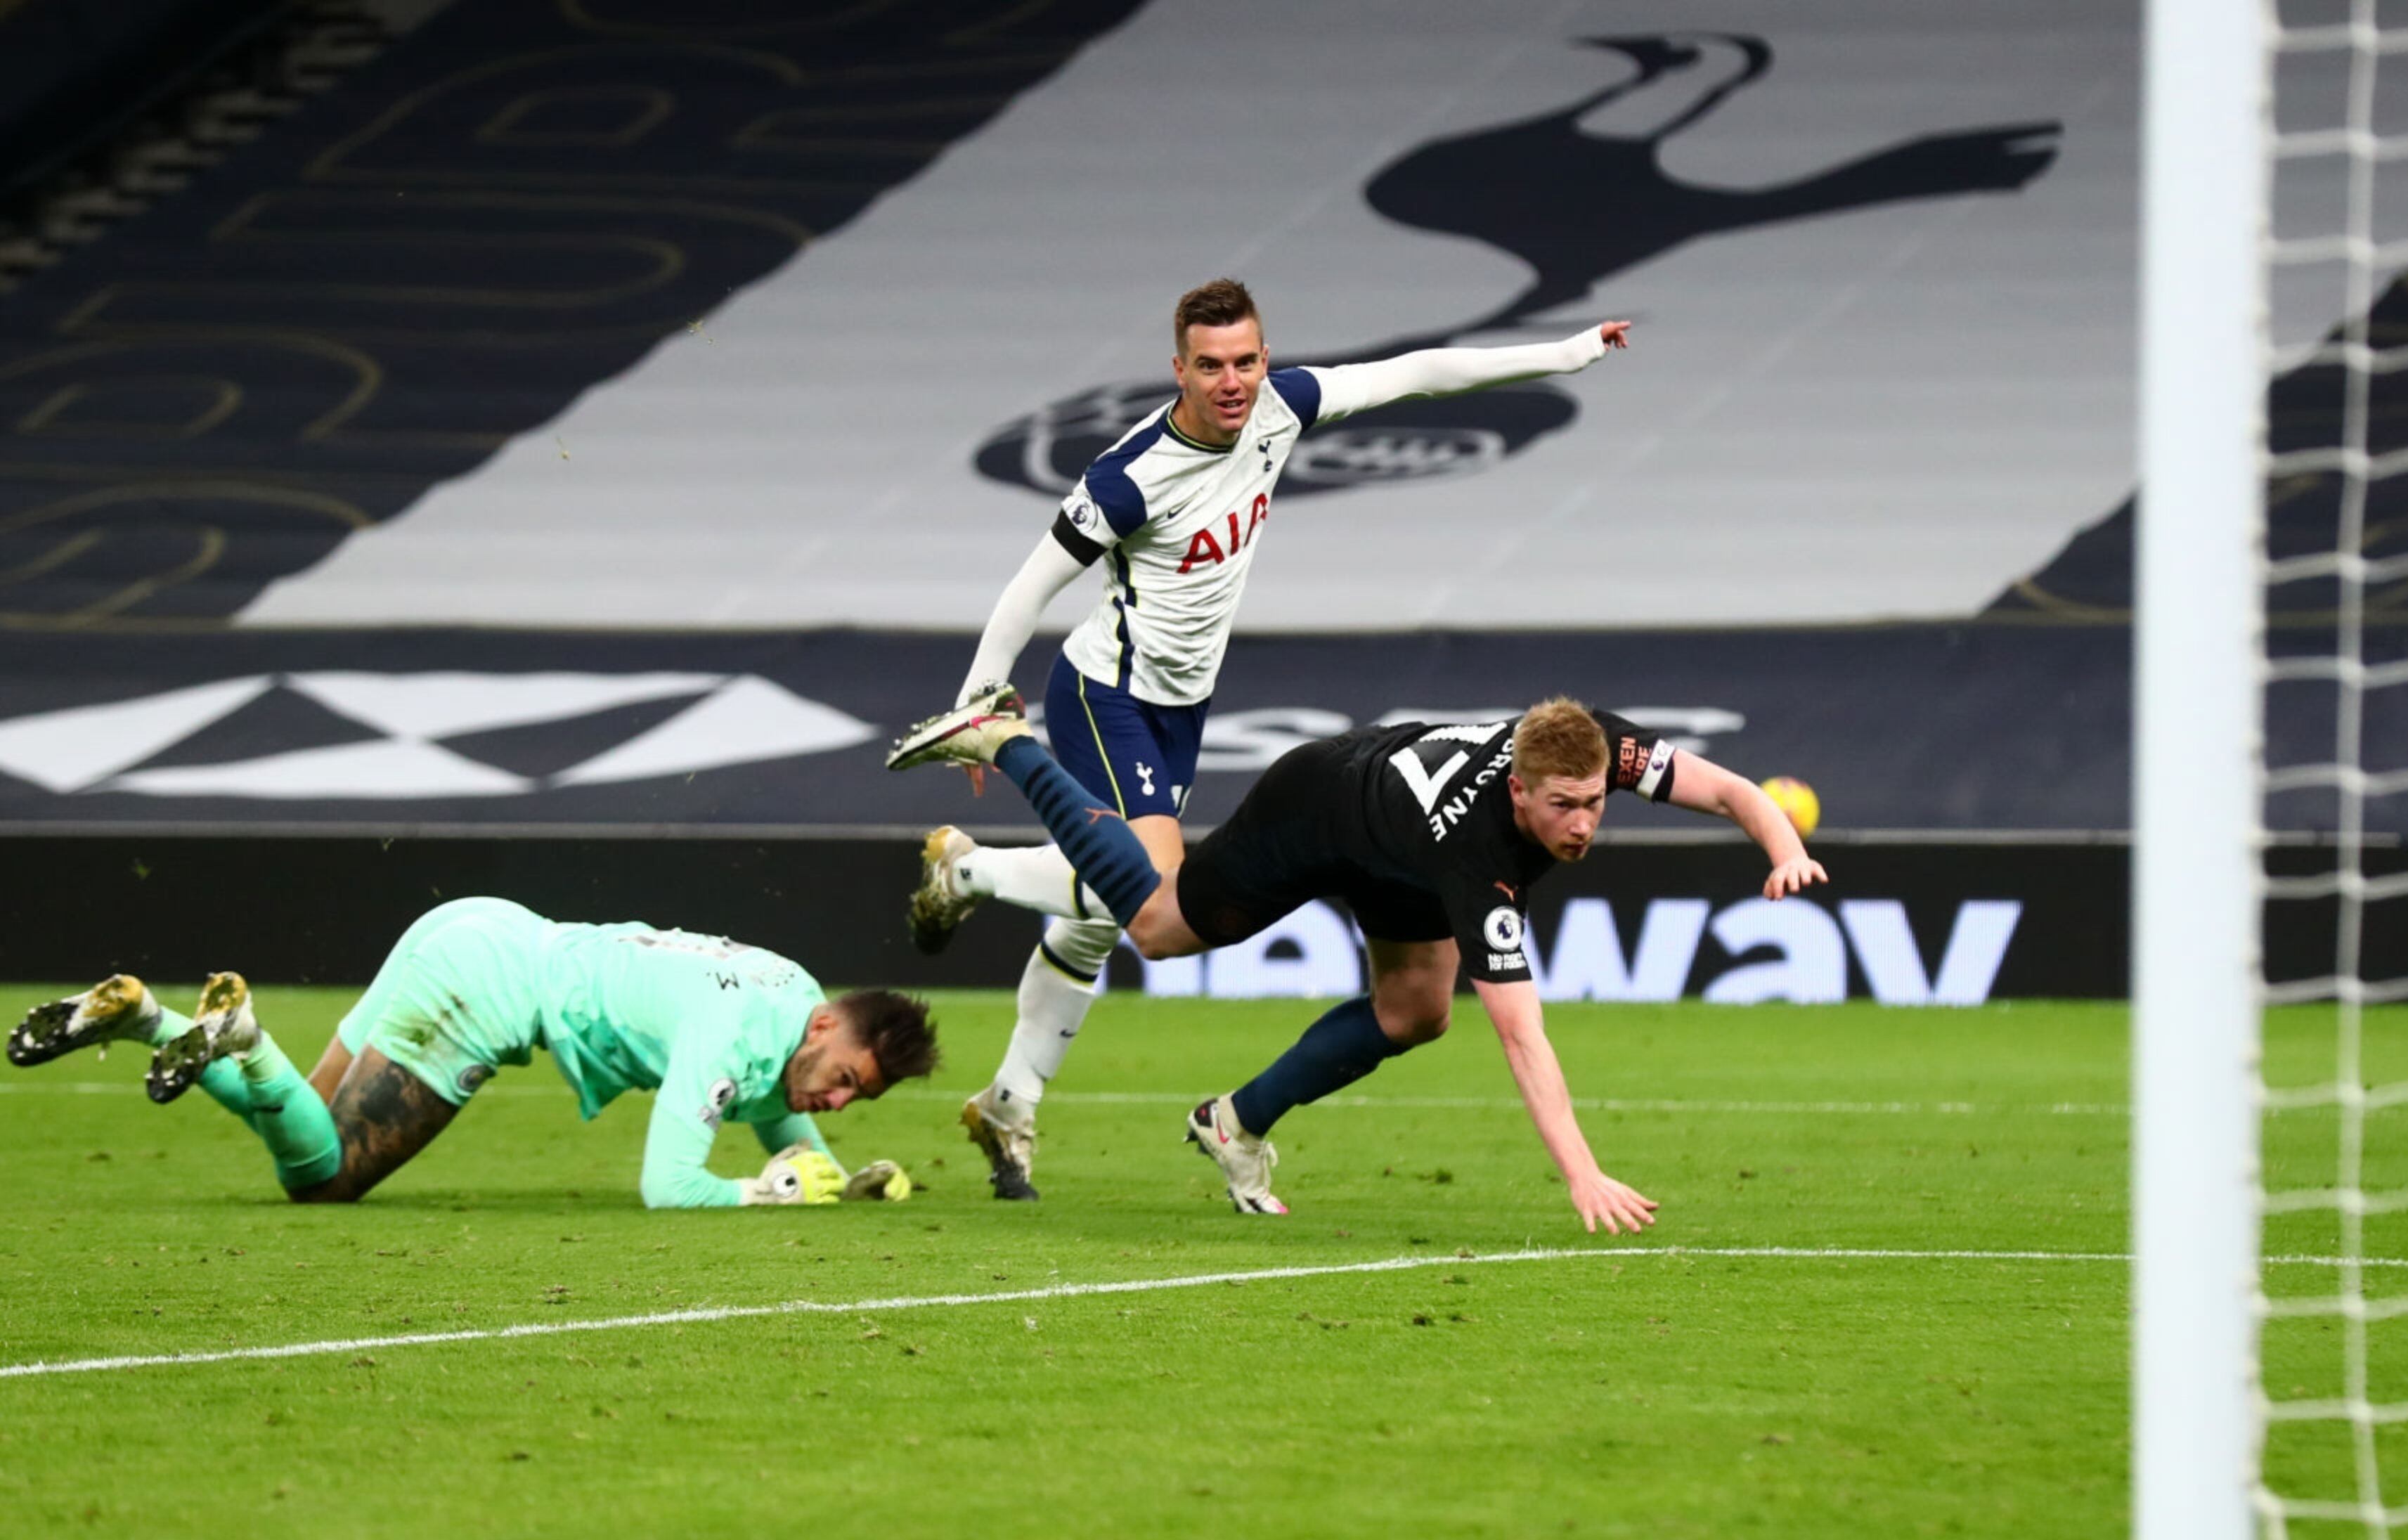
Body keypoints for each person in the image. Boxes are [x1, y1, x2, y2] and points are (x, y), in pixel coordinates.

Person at [891, 278, 1633, 1202]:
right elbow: (1029, 584)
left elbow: (1419, 374)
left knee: (1100, 915)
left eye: (1247, 360)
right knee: (1156, 902)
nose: (1234, 381)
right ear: (1179, 371)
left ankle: (1010, 1101)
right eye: (1211, 366)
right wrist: (977, 702)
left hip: (1183, 707)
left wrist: (1565, 353)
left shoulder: (1283, 409)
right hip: (1106, 696)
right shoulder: (1130, 478)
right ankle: (973, 873)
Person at [888, 688, 1824, 1232]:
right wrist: (1581, 1172)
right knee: (1159, 929)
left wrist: (1782, 850)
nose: (1582, 824)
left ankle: (1234, 1123)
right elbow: (1525, 1039)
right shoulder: (1480, 859)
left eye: (1595, 802)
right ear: (1520, 792)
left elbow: (1733, 789)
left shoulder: (1593, 745)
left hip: (1397, 838)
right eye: (1562, 807)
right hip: (1321, 809)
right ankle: (1005, 740)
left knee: (1418, 1010)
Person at [5, 897, 936, 1208]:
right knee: (323, 1178)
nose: (840, 1102)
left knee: (291, 1115)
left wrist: (838, 1176)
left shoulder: (794, 998)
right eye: (850, 1080)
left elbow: (778, 1105)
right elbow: (668, 1185)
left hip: (479, 926)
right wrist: (756, 1192)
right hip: (485, 989)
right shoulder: (732, 1033)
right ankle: (237, 1033)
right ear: (826, 1032)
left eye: (860, 1099)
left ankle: (149, 1022)